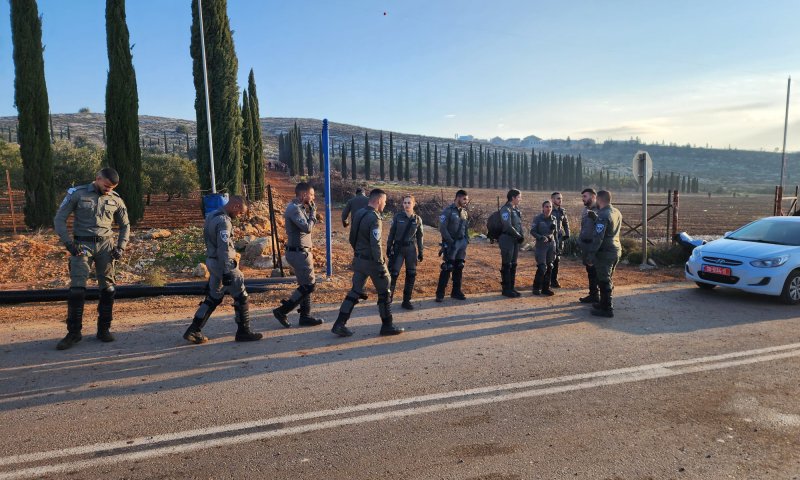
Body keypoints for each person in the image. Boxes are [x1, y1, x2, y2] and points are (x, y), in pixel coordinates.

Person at [53, 167, 130, 350]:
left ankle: (103, 329)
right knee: (77, 290)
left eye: (112, 187)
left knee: (109, 289)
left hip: (106, 246)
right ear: (97, 179)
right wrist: (69, 244)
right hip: (82, 246)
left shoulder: (115, 199)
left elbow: (125, 225)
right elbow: (59, 219)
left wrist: (120, 247)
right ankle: (73, 333)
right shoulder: (77, 194)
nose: (108, 189)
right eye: (106, 186)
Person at [183, 196, 262, 344]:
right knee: (241, 296)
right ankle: (243, 332)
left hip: (213, 261)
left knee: (214, 296)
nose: (239, 216)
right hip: (224, 264)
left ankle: (194, 329)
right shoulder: (224, 222)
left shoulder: (212, 215)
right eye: (240, 213)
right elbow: (224, 249)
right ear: (236, 206)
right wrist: (227, 272)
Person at [331, 189, 404, 337]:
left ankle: (339, 324)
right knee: (385, 290)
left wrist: (359, 252)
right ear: (378, 201)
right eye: (384, 201)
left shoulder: (359, 213)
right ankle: (387, 326)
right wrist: (381, 264)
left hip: (359, 260)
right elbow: (375, 244)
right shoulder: (374, 218)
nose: (385, 204)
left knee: (355, 291)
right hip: (372, 261)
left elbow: (352, 237)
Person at [272, 182, 324, 327]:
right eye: (312, 195)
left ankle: (305, 316)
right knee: (309, 285)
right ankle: (283, 310)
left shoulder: (298, 208)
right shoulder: (294, 209)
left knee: (305, 284)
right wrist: (313, 213)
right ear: (304, 195)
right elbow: (307, 228)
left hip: (300, 252)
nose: (313, 198)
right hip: (299, 254)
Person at [584, 190, 622, 318]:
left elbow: (599, 237)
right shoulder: (616, 212)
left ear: (599, 199)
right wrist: (596, 219)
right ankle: (603, 303)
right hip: (615, 249)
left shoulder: (603, 215)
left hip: (605, 252)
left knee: (604, 279)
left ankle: (607, 308)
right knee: (607, 277)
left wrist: (590, 255)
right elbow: (610, 229)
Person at [387, 195, 424, 310]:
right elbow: (391, 233)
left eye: (409, 203)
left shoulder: (417, 219)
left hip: (411, 250)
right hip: (398, 249)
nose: (406, 205)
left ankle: (406, 301)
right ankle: (388, 300)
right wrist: (388, 247)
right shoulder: (397, 217)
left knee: (411, 274)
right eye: (405, 203)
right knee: (393, 274)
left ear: (414, 204)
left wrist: (421, 251)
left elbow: (420, 237)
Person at [435, 190, 470, 302]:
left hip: (461, 244)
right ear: (458, 198)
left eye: (467, 199)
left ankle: (456, 291)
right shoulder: (448, 211)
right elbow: (442, 228)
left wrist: (466, 240)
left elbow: (466, 227)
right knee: (447, 267)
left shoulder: (464, 212)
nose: (466, 201)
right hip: (451, 244)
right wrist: (450, 241)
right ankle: (440, 293)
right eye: (464, 199)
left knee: (459, 266)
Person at [499, 189, 524, 298]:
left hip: (514, 240)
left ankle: (511, 287)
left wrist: (520, 235)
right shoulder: (505, 209)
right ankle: (506, 289)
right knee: (507, 264)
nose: (520, 199)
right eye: (519, 197)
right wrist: (518, 235)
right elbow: (507, 226)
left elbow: (519, 225)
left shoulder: (516, 210)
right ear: (513, 198)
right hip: (507, 239)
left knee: (513, 264)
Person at [530, 200, 557, 296]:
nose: (548, 208)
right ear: (542, 208)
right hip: (541, 246)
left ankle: (546, 288)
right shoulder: (538, 219)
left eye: (550, 207)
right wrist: (541, 237)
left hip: (551, 245)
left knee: (550, 266)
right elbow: (532, 231)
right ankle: (536, 287)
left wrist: (553, 242)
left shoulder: (554, 218)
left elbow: (554, 232)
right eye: (546, 206)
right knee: (542, 267)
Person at [578, 188, 600, 304]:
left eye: (585, 196)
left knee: (596, 271)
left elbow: (603, 227)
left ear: (593, 197)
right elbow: (583, 226)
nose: (583, 199)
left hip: (594, 245)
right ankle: (593, 295)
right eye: (583, 197)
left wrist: (595, 217)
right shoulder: (585, 210)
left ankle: (601, 296)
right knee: (590, 270)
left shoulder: (600, 209)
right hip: (585, 245)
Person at [550, 192, 570, 288]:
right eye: (558, 198)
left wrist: (567, 233)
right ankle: (546, 280)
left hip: (560, 237)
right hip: (551, 238)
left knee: (557, 259)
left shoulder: (562, 211)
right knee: (549, 259)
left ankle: (554, 280)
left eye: (561, 198)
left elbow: (565, 223)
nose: (560, 200)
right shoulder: (548, 209)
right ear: (552, 199)